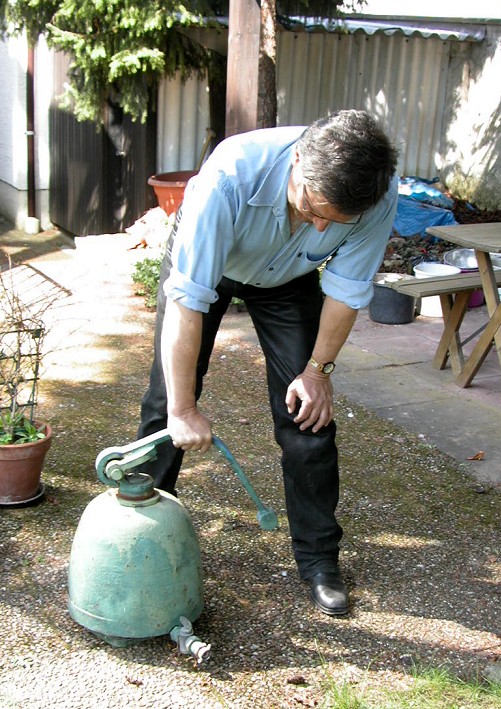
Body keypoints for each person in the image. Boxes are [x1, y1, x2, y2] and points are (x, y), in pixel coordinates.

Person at [137, 109, 398, 616]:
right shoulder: (230, 175)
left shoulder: (376, 194)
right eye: (311, 206)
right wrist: (184, 408)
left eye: (334, 223)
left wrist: (317, 371)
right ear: (297, 160)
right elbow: (190, 300)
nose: (320, 226)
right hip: (212, 265)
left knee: (310, 418)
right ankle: (142, 529)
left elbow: (345, 291)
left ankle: (319, 559)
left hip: (287, 281)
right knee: (165, 402)